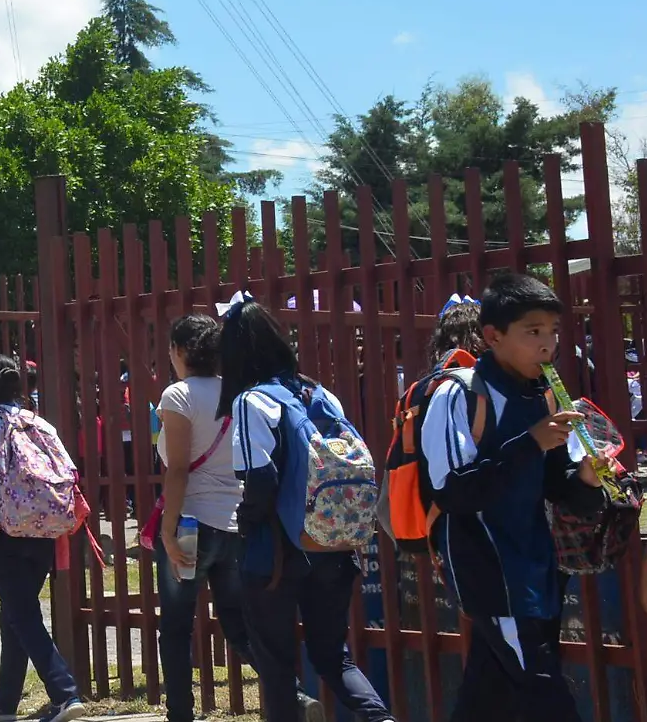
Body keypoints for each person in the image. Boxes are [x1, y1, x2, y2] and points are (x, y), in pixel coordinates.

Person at [424, 274, 605, 722]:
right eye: (533, 332)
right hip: (489, 569)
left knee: (489, 692)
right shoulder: (458, 393)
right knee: (544, 690)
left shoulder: (543, 395)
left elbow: (560, 491)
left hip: (537, 568)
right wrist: (531, 443)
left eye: (554, 332)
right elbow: (452, 491)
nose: (549, 345)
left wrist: (588, 477)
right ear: (493, 336)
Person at [218, 296, 393, 722]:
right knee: (334, 656)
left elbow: (259, 481)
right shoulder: (320, 393)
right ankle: (379, 718)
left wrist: (244, 525)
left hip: (275, 556)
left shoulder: (251, 401)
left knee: (276, 663)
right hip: (333, 544)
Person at [153, 314, 315, 722]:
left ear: (180, 350)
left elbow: (177, 470)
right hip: (234, 523)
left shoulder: (178, 396)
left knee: (175, 627)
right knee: (239, 625)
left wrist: (168, 530)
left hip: (190, 523)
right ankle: (292, 693)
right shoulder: (238, 391)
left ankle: (181, 715)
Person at [0, 354, 87, 722]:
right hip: (42, 526)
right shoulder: (38, 422)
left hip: (1, 526)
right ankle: (5, 702)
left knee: (22, 613)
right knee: (16, 609)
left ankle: (64, 694)